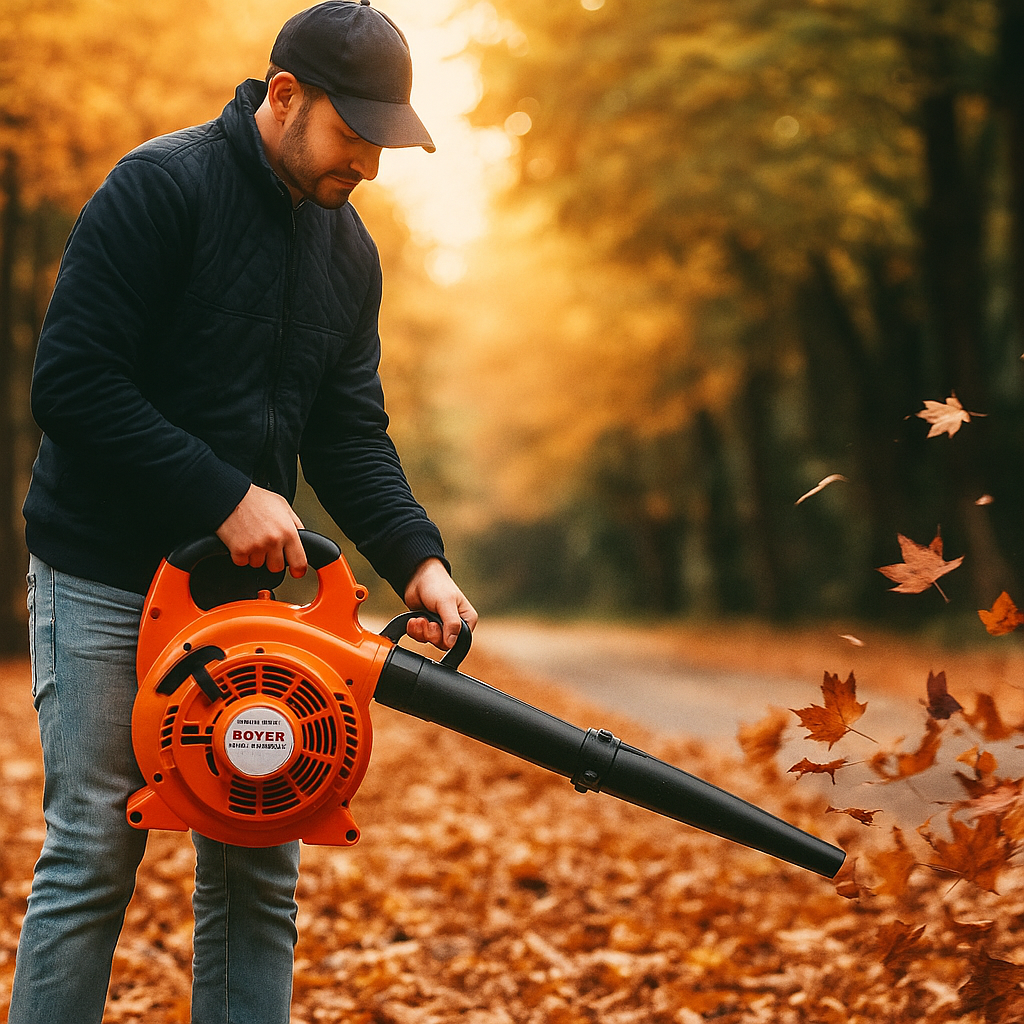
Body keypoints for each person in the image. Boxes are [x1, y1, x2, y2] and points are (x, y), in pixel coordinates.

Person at [9, 2, 477, 1022]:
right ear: (283, 97)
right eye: (355, 135)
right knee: (93, 849)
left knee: (260, 855)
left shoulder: (348, 254)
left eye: (384, 141)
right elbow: (75, 384)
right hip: (102, 574)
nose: (370, 165)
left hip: (242, 605)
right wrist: (223, 492)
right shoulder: (159, 188)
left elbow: (348, 435)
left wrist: (419, 561)